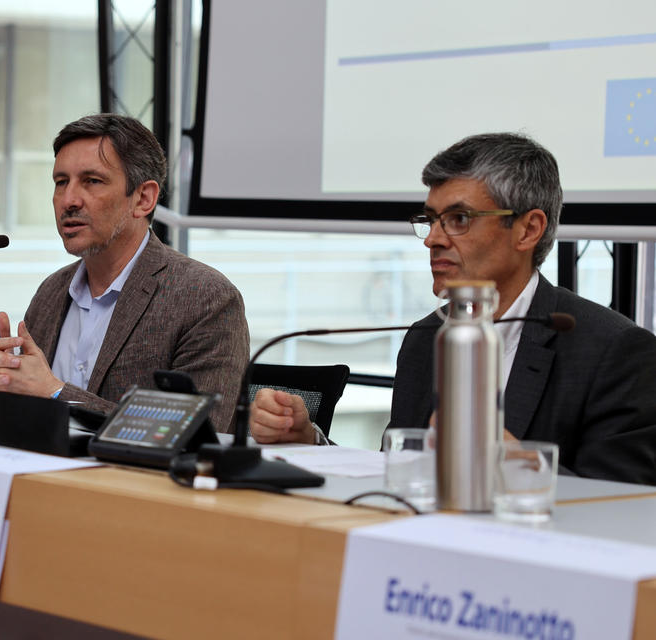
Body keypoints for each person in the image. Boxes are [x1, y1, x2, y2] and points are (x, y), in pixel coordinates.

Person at [251, 132, 656, 485]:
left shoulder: (614, 351)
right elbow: (398, 476)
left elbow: (627, 505)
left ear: (528, 230)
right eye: (430, 220)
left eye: (459, 219)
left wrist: (514, 462)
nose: (433, 239)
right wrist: (309, 442)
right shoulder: (426, 336)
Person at [0, 113, 249, 431]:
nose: (68, 200)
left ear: (143, 199)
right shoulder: (52, 291)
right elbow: (31, 407)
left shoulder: (204, 298)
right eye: (61, 182)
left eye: (92, 181)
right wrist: (3, 387)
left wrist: (56, 393)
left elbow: (198, 433)